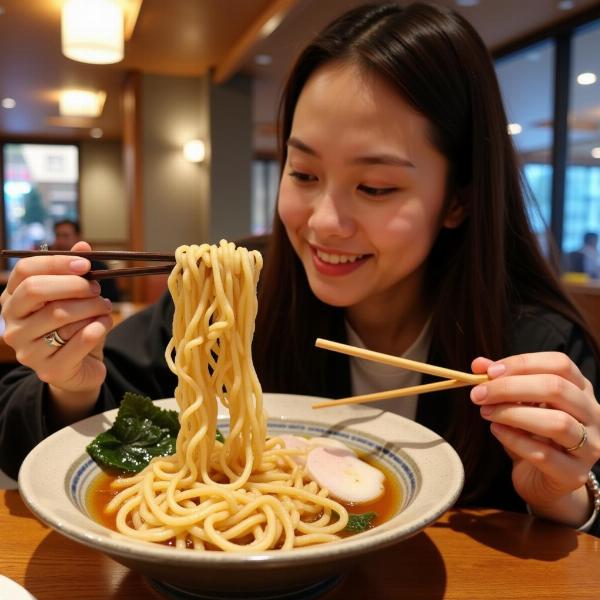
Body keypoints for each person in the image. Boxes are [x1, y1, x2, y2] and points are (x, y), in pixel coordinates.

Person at [1, 2, 599, 535]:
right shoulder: (232, 291)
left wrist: (562, 495)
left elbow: (581, 516)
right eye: (304, 174)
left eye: (375, 186)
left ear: (458, 198)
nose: (323, 222)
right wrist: (71, 390)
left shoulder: (531, 348)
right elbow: (79, 442)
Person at [52, 220, 121, 301]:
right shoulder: (53, 269)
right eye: (58, 236)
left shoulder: (99, 267)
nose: (61, 241)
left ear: (78, 237)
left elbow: (113, 300)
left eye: (65, 236)